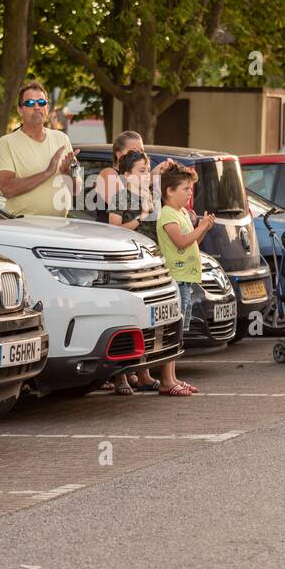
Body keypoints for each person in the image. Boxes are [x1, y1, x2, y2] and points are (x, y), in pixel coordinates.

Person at [103, 150, 161, 395]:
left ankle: (144, 373)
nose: (146, 175)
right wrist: (142, 216)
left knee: (148, 320)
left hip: (151, 263)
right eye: (140, 171)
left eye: (147, 170)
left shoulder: (151, 196)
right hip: (129, 264)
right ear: (127, 175)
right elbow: (114, 229)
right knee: (128, 319)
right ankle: (121, 377)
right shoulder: (120, 197)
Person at [155, 167, 216, 397]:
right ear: (169, 191)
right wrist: (199, 227)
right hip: (177, 277)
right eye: (185, 189)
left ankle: (172, 377)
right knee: (175, 329)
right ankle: (167, 380)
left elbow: (193, 242)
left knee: (180, 331)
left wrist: (203, 229)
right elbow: (180, 241)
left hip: (186, 278)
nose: (190, 193)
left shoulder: (180, 213)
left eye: (190, 189)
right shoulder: (167, 214)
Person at [0, 83, 77, 216]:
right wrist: (47, 172)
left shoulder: (62, 138)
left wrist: (69, 172)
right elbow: (7, 189)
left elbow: (77, 188)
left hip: (60, 228)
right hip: (24, 229)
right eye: (30, 103)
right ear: (20, 110)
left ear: (47, 108)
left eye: (41, 102)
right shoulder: (6, 143)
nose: (37, 107)